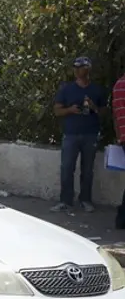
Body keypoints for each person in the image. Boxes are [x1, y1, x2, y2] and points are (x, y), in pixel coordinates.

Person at [51, 56, 108, 213]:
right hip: (71, 134)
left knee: (88, 169)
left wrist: (94, 107)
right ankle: (65, 201)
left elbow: (104, 112)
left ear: (88, 69)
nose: (77, 70)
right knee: (67, 168)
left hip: (91, 134)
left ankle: (85, 200)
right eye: (75, 67)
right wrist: (70, 110)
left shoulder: (97, 90)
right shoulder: (67, 89)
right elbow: (57, 110)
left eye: (80, 67)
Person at [113, 71, 125, 228]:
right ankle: (121, 219)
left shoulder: (118, 85)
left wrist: (119, 137)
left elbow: (116, 115)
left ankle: (122, 220)